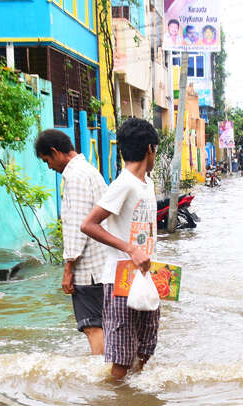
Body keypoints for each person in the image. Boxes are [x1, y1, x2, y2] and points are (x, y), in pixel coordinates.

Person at [81, 118, 160, 380]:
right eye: (156, 150)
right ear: (150, 149)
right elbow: (89, 224)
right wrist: (130, 249)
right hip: (119, 281)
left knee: (145, 351)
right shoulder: (123, 184)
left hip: (146, 277)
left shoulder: (146, 184)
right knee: (122, 359)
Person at [35, 129, 109, 355]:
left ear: (56, 152)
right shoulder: (89, 171)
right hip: (103, 264)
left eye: (47, 160)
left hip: (90, 270)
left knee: (92, 326)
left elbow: (78, 227)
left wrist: (68, 270)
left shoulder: (75, 177)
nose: (49, 167)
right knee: (104, 324)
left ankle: (105, 377)